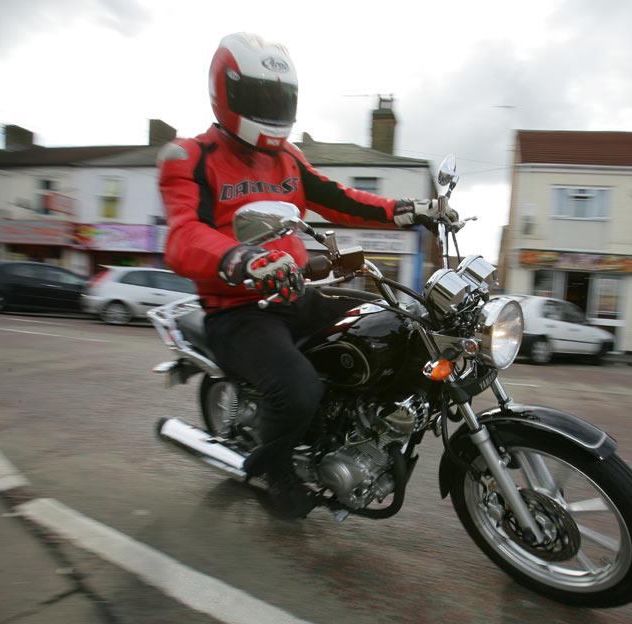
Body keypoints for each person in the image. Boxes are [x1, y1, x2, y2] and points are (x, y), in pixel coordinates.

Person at [158, 32, 457, 518]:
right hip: (237, 311)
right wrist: (243, 259)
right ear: (226, 92)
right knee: (297, 388)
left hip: (293, 295)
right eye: (259, 97)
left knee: (390, 325)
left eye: (278, 98)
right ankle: (275, 470)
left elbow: (343, 198)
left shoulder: (287, 158)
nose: (270, 107)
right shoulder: (189, 157)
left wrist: (410, 210)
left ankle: (356, 431)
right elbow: (183, 235)